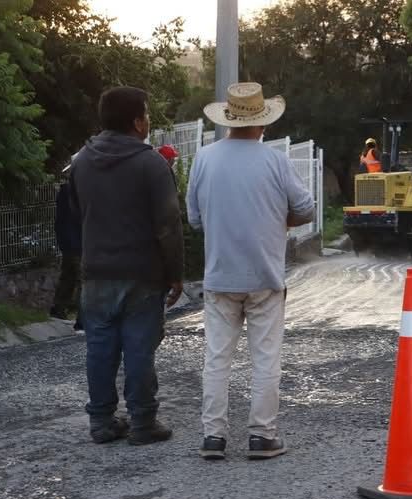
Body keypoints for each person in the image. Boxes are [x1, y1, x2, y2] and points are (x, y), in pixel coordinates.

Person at [187, 82, 315, 460]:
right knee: (265, 359)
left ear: (228, 119)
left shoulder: (204, 159)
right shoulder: (275, 161)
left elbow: (195, 219)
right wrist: (281, 220)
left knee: (216, 359)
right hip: (265, 277)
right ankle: (262, 436)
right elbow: (306, 209)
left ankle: (213, 437)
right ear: (263, 122)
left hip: (220, 276)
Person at [69, 86, 185, 445]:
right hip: (142, 273)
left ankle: (102, 422)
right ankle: (143, 422)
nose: (148, 120)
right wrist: (175, 273)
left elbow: (76, 214)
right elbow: (168, 225)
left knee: (100, 350)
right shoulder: (152, 164)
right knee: (139, 349)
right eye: (146, 114)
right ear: (137, 122)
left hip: (96, 273)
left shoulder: (81, 162)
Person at [49, 171, 83, 331]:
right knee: (83, 280)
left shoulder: (65, 192)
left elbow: (60, 220)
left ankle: (58, 308)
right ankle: (83, 318)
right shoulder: (83, 192)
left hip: (67, 241)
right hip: (80, 242)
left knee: (68, 275)